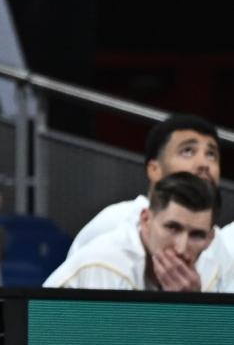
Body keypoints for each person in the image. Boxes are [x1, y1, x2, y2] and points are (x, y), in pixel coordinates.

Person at [70, 113, 220, 255]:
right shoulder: (115, 222)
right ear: (154, 169)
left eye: (211, 154)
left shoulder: (219, 245)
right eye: (187, 151)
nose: (204, 163)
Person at [47, 173, 223, 291]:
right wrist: (184, 307)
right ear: (146, 220)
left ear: (210, 239)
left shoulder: (211, 268)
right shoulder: (107, 264)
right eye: (172, 228)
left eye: (197, 235)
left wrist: (195, 305)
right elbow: (114, 338)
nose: (181, 248)